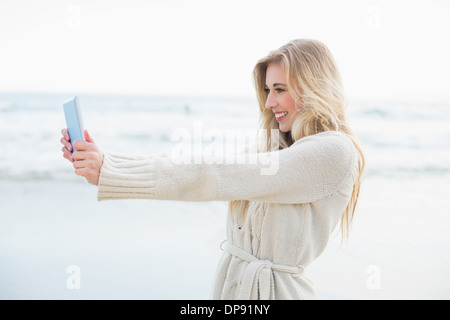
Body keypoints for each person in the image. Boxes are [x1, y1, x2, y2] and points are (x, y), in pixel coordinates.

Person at [60, 39, 365, 300]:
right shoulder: (275, 150)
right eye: (267, 89)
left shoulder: (334, 151)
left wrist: (110, 171)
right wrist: (104, 165)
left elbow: (215, 175)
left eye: (280, 89)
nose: (270, 101)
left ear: (313, 88)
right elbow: (204, 166)